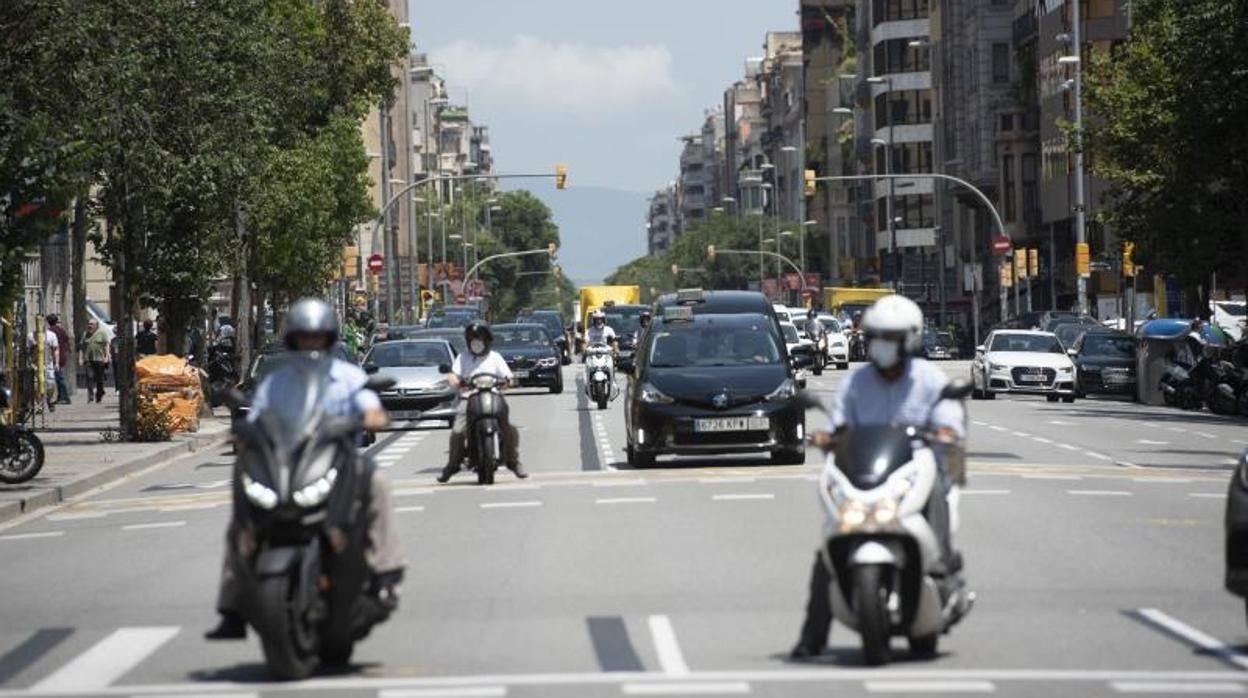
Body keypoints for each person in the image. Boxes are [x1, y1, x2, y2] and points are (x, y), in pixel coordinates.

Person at [205, 298, 404, 640]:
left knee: (378, 483)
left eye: (317, 337)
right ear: (292, 340)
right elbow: (257, 416)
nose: (310, 344)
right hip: (289, 462)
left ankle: (385, 575)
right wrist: (245, 430)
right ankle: (232, 605)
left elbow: (373, 409)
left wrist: (369, 416)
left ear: (329, 338)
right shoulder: (276, 381)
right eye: (303, 337)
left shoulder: (348, 376)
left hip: (337, 457)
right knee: (242, 517)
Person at [791, 295, 971, 660]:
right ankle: (812, 637)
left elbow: (951, 425)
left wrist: (946, 434)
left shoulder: (931, 380)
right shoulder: (856, 383)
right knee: (830, 544)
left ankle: (941, 574)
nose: (882, 345)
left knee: (940, 488)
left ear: (910, 340)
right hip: (870, 476)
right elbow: (838, 426)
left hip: (918, 471)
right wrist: (827, 437)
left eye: (891, 337)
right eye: (877, 337)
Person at [437, 322, 527, 483]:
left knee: (509, 429)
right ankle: (452, 465)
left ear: (487, 339)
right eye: (472, 338)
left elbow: (508, 376)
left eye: (479, 338)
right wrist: (456, 382)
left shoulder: (495, 357)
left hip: (494, 397)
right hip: (469, 399)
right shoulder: (463, 357)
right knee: (457, 431)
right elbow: (453, 375)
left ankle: (513, 461)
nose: (476, 342)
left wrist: (510, 382)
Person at [29, 323, 59, 412]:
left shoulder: (51, 335)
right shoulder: (31, 336)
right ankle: (39, 404)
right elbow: (28, 350)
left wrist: (56, 362)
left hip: (48, 363)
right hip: (35, 364)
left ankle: (50, 400)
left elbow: (56, 349)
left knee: (51, 383)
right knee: (35, 385)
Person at [81, 319, 111, 403]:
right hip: (88, 359)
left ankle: (99, 394)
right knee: (89, 377)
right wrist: (80, 358)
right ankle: (90, 396)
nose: (89, 326)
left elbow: (106, 345)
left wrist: (107, 356)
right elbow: (81, 346)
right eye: (89, 324)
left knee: (99, 379)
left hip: (99, 359)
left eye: (91, 324)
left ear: (96, 325)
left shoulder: (102, 333)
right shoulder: (85, 334)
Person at [46, 315, 72, 404]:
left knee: (59, 378)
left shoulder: (50, 332)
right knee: (58, 377)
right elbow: (67, 340)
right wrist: (68, 351)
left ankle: (66, 398)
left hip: (54, 357)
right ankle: (60, 397)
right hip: (62, 356)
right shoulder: (61, 330)